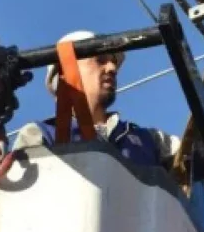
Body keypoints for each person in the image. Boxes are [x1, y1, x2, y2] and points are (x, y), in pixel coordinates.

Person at [12, 30, 180, 168]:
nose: (112, 68)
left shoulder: (152, 140)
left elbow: (189, 159)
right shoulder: (40, 135)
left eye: (113, 62)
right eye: (100, 60)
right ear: (66, 73)